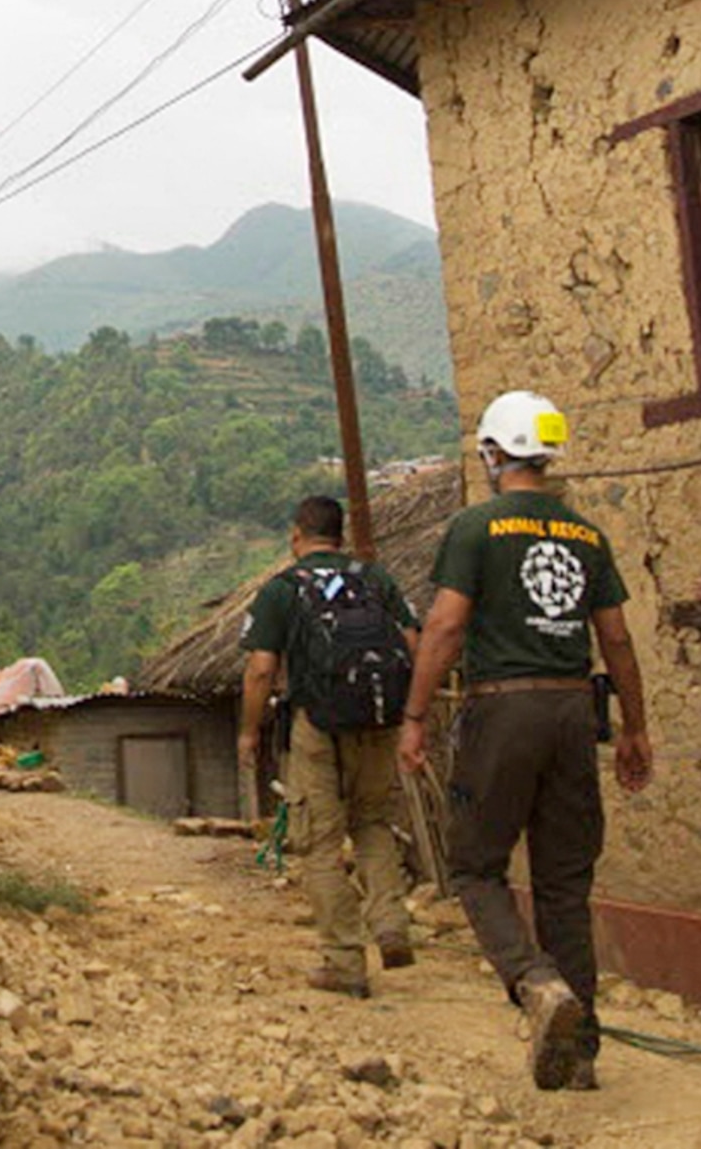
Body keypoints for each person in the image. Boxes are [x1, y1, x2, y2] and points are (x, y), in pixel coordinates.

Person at [400, 389, 652, 1092]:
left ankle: (538, 985)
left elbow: (447, 627)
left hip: (503, 710)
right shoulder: (586, 534)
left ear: (492, 453)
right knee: (565, 884)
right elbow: (618, 638)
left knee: (477, 866)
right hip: (576, 711)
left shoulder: (476, 528)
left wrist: (415, 715)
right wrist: (635, 725)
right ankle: (582, 1055)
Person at [237, 492, 422, 997]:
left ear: (297, 536)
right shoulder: (376, 580)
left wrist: (249, 731)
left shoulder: (282, 590)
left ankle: (344, 960)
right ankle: (390, 926)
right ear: (338, 535)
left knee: (319, 842)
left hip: (316, 724)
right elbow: (412, 644)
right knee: (373, 823)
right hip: (378, 721)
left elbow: (260, 670)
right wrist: (407, 712)